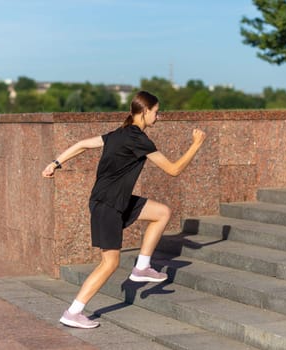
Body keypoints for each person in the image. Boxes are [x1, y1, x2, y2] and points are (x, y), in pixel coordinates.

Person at [42, 90, 206, 329]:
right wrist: (196, 144)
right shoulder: (139, 138)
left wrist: (55, 163)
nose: (158, 117)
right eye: (156, 112)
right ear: (144, 111)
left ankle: (142, 267)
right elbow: (173, 170)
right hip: (108, 205)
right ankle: (73, 312)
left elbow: (82, 145)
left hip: (114, 200)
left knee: (161, 213)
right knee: (109, 263)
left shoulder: (118, 134)